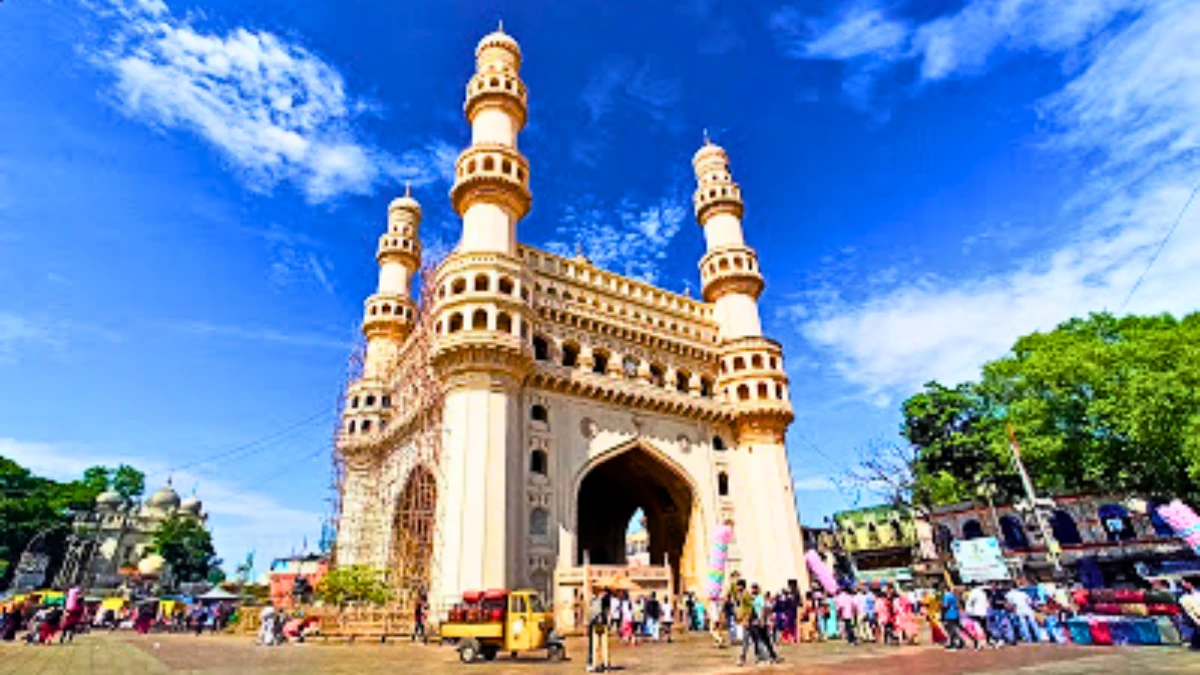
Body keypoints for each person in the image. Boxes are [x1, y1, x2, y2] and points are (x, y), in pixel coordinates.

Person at [587, 588, 611, 673]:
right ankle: (606, 663)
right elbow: (608, 612)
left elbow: (592, 613)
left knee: (595, 645)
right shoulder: (606, 599)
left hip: (595, 624)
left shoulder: (595, 600)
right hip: (603, 624)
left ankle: (595, 664)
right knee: (604, 645)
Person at [940, 583, 967, 650]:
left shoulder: (946, 595)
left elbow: (945, 605)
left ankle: (956, 643)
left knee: (951, 630)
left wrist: (941, 606)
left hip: (949, 614)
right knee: (954, 629)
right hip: (955, 613)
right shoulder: (953, 595)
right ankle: (956, 642)